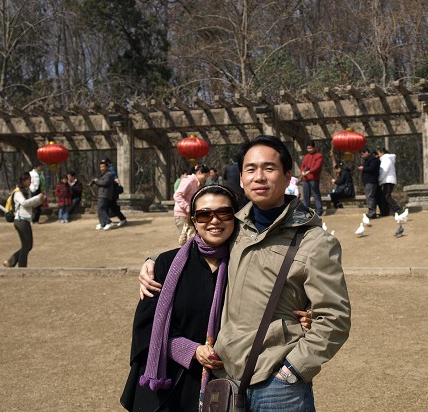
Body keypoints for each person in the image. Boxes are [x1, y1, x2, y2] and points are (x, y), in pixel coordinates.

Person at [140, 135, 351, 411]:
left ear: (288, 176)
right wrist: (153, 261)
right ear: (241, 178)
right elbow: (200, 245)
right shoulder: (235, 229)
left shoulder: (315, 242)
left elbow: (334, 317)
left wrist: (294, 369)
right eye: (250, 169)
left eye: (269, 168)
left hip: (278, 384)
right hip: (225, 377)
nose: (259, 177)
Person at [122, 184, 312, 412]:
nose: (214, 221)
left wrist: (305, 314)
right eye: (204, 215)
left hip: (226, 383)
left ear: (236, 218)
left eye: (224, 213)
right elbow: (145, 328)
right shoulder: (166, 264)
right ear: (193, 221)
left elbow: (275, 300)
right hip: (169, 384)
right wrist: (191, 351)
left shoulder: (247, 264)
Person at [3, 172, 45, 267]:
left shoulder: (26, 191)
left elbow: (29, 205)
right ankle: (21, 266)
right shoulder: (18, 192)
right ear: (24, 180)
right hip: (21, 220)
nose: (30, 181)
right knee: (27, 246)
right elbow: (25, 203)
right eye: (29, 179)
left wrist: (39, 201)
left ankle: (12, 262)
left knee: (27, 246)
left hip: (25, 220)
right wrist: (37, 197)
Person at [173, 164, 210, 245]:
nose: (206, 178)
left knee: (192, 239)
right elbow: (177, 195)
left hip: (190, 214)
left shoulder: (197, 183)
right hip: (182, 214)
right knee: (185, 241)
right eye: (205, 176)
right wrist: (188, 208)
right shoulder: (189, 181)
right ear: (199, 173)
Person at [301, 140, 324, 216]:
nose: (309, 150)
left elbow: (317, 167)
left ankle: (319, 210)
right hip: (306, 178)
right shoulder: (306, 156)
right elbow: (302, 166)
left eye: (310, 148)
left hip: (314, 178)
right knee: (306, 196)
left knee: (316, 194)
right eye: (308, 148)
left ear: (314, 148)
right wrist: (302, 171)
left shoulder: (318, 156)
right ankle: (306, 211)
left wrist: (309, 171)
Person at [358, 147, 380, 219]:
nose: (362, 156)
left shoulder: (373, 159)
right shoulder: (368, 160)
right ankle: (371, 211)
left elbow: (371, 168)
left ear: (367, 152)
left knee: (370, 197)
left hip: (371, 181)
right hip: (368, 181)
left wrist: (363, 168)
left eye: (362, 154)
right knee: (369, 196)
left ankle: (372, 212)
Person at [91, 159, 114, 231]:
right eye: (100, 167)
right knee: (102, 209)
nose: (102, 168)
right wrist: (95, 182)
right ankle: (102, 223)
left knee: (101, 209)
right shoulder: (103, 175)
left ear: (107, 167)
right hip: (102, 194)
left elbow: (105, 183)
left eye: (103, 167)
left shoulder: (109, 174)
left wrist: (97, 181)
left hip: (105, 194)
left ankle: (108, 222)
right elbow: (101, 184)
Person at [378, 147, 401, 216]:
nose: (378, 155)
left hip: (388, 180)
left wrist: (379, 179)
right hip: (388, 180)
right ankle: (387, 211)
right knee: (385, 196)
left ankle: (396, 208)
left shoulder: (386, 159)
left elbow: (384, 171)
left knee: (387, 196)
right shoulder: (388, 159)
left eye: (379, 153)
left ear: (382, 152)